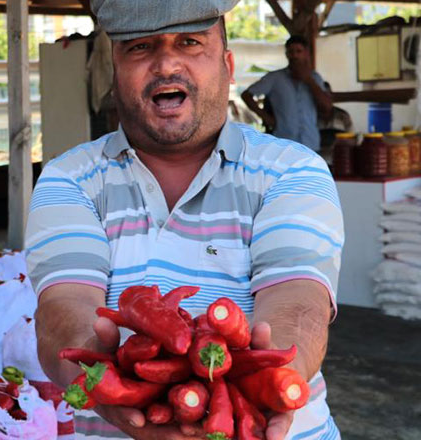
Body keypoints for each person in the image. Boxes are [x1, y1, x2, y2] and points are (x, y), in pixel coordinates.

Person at [26, 1, 343, 439]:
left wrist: (274, 384)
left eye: (191, 42)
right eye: (139, 47)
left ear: (228, 65)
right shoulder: (70, 179)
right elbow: (64, 307)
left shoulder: (291, 170)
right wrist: (107, 381)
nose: (167, 63)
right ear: (113, 75)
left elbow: (297, 301)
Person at [241, 35, 333, 152]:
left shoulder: (315, 78)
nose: (294, 55)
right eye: (291, 52)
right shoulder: (275, 78)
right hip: (283, 144)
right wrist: (266, 118)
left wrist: (309, 81)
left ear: (306, 54)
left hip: (311, 143)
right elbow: (246, 95)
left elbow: (326, 106)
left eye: (299, 51)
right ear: (286, 54)